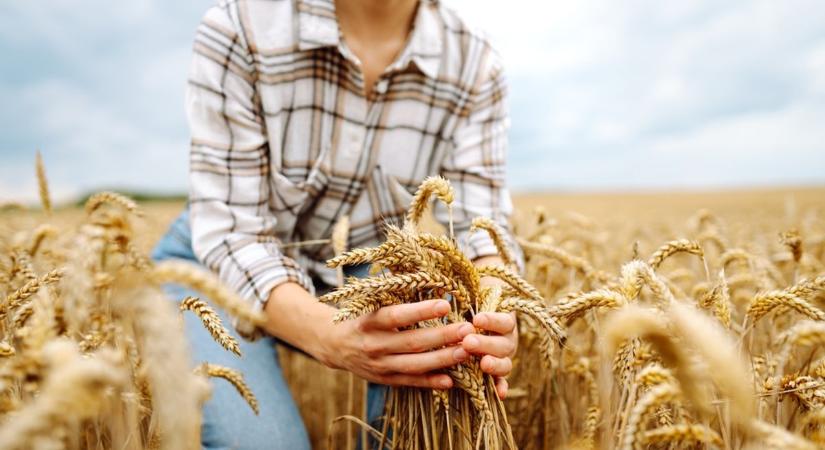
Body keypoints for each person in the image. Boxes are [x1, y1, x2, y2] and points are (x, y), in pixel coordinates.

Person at [152, 0, 522, 448]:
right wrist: (330, 337)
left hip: (364, 267)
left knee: (432, 392)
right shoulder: (240, 26)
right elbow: (234, 232)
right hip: (212, 269)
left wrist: (493, 313)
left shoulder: (475, 64)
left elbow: (482, 226)